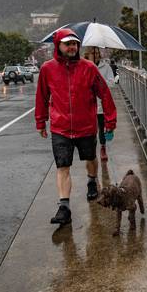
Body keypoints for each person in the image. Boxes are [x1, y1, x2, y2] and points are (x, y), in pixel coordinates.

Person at [35, 29, 117, 226]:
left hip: (86, 126)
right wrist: (40, 121)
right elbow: (42, 96)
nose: (72, 47)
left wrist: (110, 121)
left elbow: (104, 94)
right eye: (67, 43)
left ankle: (91, 180)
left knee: (90, 158)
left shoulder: (89, 68)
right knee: (62, 166)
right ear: (58, 46)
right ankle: (64, 207)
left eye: (75, 43)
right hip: (60, 128)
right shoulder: (47, 69)